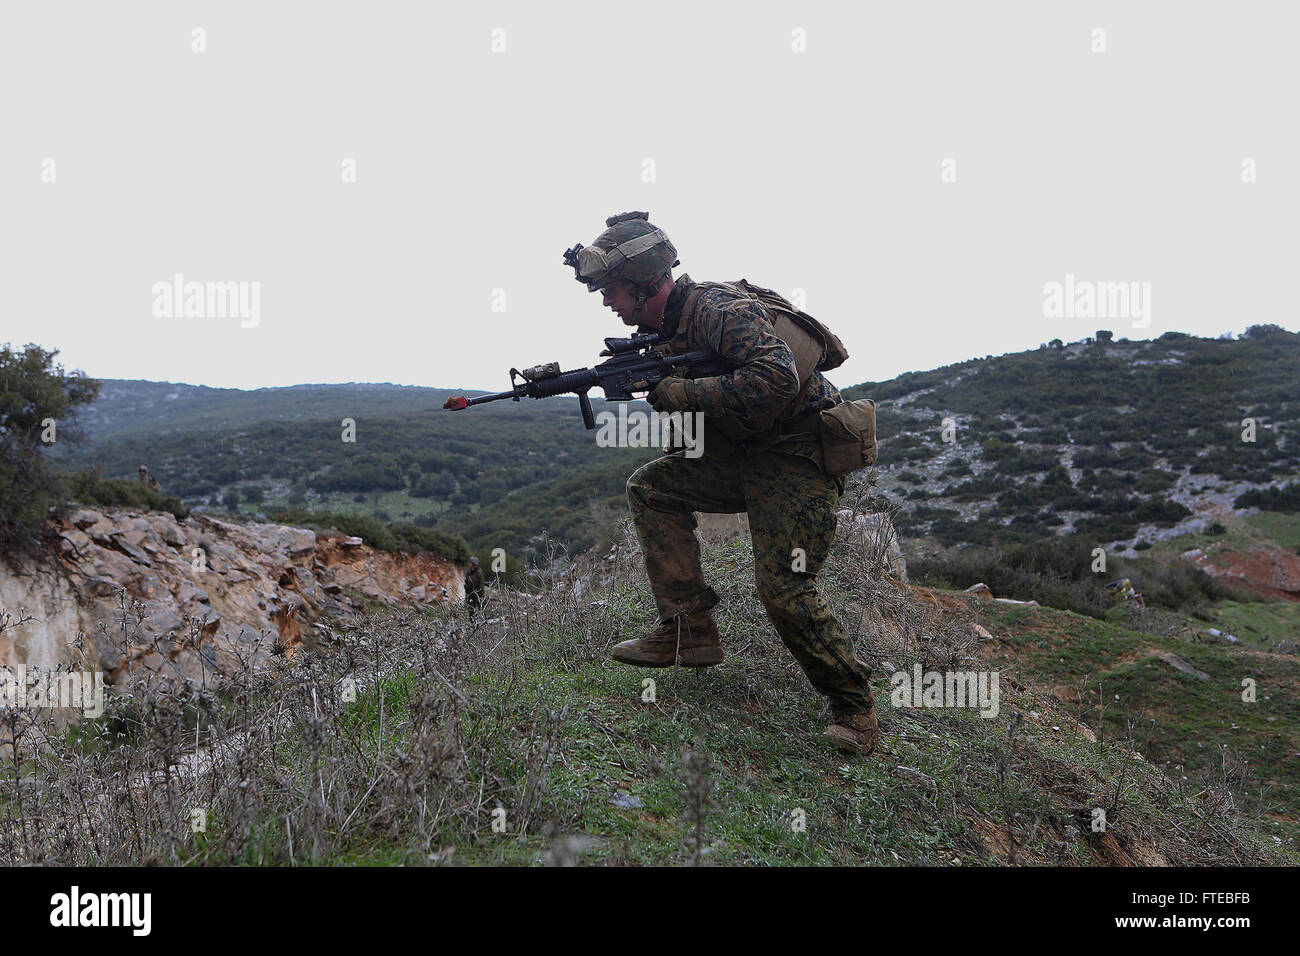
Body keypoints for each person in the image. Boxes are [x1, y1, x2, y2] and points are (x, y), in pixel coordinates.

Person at [563, 212, 879, 755]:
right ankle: (689, 629)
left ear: (645, 285)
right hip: (744, 455)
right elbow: (698, 416)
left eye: (612, 291)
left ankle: (855, 709)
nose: (609, 303)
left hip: (797, 456)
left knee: (783, 588)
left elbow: (776, 376)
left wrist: (683, 393)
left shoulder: (718, 309)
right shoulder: (666, 331)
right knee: (652, 488)